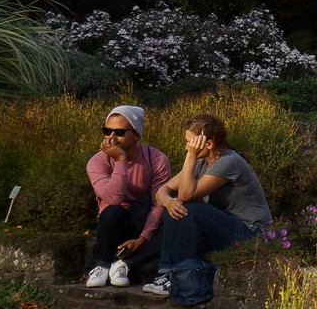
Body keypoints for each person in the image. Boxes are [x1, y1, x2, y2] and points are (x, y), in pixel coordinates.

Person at [142, 113, 272, 298]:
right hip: (225, 230)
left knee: (189, 207)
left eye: (190, 143)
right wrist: (169, 202)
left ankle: (176, 274)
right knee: (176, 205)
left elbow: (187, 195)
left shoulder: (228, 162)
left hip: (251, 233)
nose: (186, 147)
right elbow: (162, 191)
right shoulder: (202, 163)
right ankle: (167, 273)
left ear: (208, 144)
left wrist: (190, 157)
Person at [85, 104, 172, 288]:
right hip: (114, 224)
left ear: (136, 135)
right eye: (107, 131)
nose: (111, 137)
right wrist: (121, 160)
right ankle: (102, 265)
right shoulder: (97, 162)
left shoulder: (156, 159)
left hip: (146, 223)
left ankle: (124, 265)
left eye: (119, 132)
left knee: (175, 218)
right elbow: (113, 198)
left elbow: (159, 203)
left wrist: (142, 239)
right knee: (113, 210)